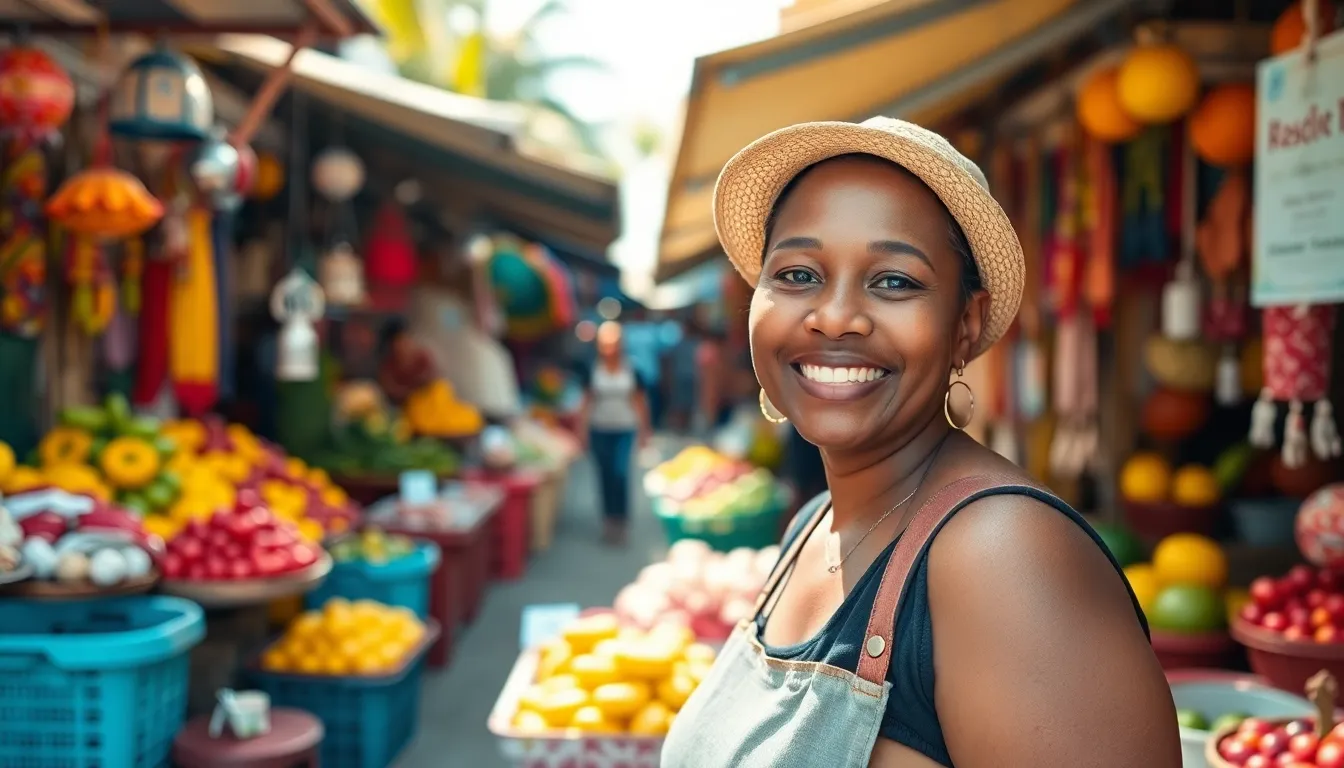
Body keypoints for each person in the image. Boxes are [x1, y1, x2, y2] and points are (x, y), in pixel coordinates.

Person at [661, 118, 1178, 767]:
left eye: (894, 282)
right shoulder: (809, 529)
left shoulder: (1000, 556)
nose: (835, 316)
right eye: (796, 274)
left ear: (966, 325)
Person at [576, 321, 652, 545]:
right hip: (599, 428)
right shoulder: (592, 368)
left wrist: (644, 431)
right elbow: (586, 402)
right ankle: (608, 519)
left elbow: (640, 402)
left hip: (624, 429)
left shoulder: (632, 369)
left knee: (620, 474)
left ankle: (621, 520)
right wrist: (580, 430)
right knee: (604, 475)